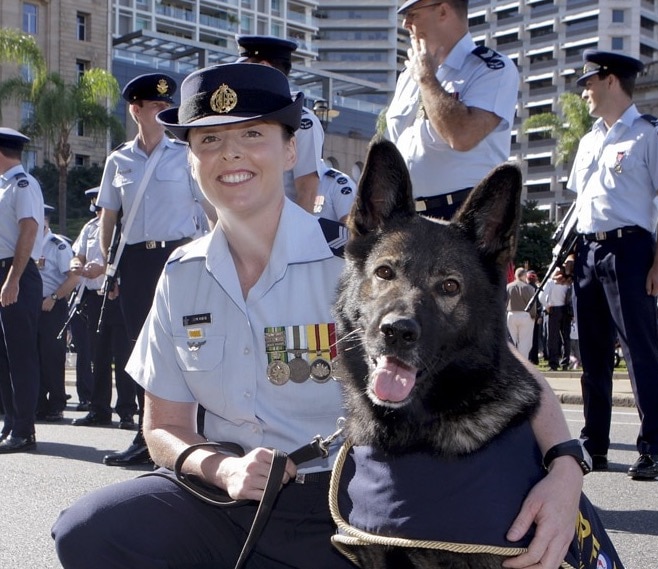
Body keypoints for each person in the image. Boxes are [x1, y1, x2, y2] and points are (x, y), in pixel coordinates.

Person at [53, 62, 584, 569]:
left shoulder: (362, 265)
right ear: (190, 159)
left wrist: (565, 470)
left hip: (345, 504)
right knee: (89, 532)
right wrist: (223, 468)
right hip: (227, 498)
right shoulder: (181, 273)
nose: (230, 155)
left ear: (291, 150)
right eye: (209, 140)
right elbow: (164, 428)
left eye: (253, 135)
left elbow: (508, 367)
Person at [568, 50, 658, 479]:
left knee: (640, 350)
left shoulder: (652, 134)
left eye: (589, 83)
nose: (585, 93)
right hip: (588, 250)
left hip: (631, 250)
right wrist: (571, 251)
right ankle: (594, 444)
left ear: (611, 80)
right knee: (592, 354)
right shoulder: (590, 140)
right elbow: (580, 203)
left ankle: (655, 444)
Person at [96, 72, 212, 467]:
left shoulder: (184, 154)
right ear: (136, 111)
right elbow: (108, 217)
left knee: (188, 341)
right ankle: (145, 435)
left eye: (168, 107)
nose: (164, 112)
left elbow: (208, 207)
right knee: (139, 347)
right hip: (135, 260)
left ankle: (193, 430)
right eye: (156, 107)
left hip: (178, 254)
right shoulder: (119, 160)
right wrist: (110, 266)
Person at [385, 0, 520, 220]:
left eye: (413, 14)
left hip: (462, 214)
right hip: (407, 216)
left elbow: (462, 135)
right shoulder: (408, 76)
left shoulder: (491, 69)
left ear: (443, 10)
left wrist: (427, 79)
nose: (406, 24)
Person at [235, 34, 326, 214]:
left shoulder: (301, 120)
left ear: (263, 67)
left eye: (244, 68)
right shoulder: (244, 115)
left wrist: (295, 239)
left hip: (279, 227)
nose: (238, 76)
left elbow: (307, 190)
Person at [69, 188, 136, 429]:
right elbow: (79, 255)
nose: (99, 209)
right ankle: (98, 409)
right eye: (97, 205)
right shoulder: (89, 228)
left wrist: (103, 269)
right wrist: (77, 264)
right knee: (98, 355)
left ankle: (127, 410)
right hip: (95, 298)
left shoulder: (125, 225)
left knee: (123, 355)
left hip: (118, 296)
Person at [0, 127, 44, 454]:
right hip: (4, 272)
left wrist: (13, 278)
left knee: (20, 356)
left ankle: (24, 429)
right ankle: (10, 423)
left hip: (16, 273)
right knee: (4, 356)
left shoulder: (22, 184)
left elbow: (29, 229)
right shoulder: (4, 187)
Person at [35, 205, 79, 422]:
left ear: (46, 221)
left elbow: (73, 278)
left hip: (52, 305)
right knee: (33, 357)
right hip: (29, 306)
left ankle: (57, 403)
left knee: (52, 356)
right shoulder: (25, 243)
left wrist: (53, 298)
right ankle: (39, 403)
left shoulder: (58, 246)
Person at [539, 267, 572, 371]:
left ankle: (554, 363)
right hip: (566, 310)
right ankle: (565, 362)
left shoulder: (550, 282)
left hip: (553, 309)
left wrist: (547, 305)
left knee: (553, 338)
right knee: (566, 337)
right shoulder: (568, 282)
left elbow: (541, 296)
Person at [506, 267, 537, 362]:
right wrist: (533, 315)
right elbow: (532, 304)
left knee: (511, 341)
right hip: (525, 315)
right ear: (524, 275)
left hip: (511, 314)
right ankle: (523, 362)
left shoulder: (508, 287)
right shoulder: (529, 288)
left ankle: (510, 361)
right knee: (524, 341)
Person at [526, 269, 543, 364]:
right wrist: (539, 315)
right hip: (536, 315)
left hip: (527, 315)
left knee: (528, 338)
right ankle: (534, 358)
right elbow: (539, 303)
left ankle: (529, 357)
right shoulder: (537, 288)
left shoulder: (526, 288)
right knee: (535, 337)